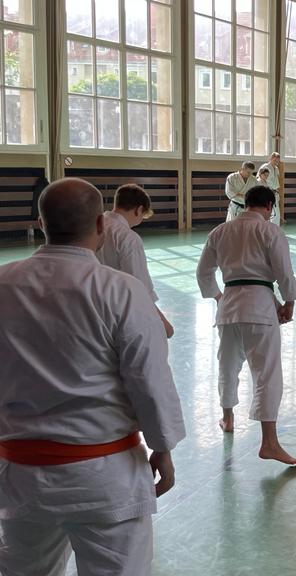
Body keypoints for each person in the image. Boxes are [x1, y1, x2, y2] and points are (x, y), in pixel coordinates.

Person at [0, 178, 185, 576]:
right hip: (106, 476)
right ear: (101, 224)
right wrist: (163, 446)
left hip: (23, 476)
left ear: (41, 223)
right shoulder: (122, 290)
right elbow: (148, 379)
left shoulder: (4, 284)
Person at [198, 185, 296, 466]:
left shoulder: (220, 231)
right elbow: (284, 272)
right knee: (266, 373)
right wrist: (289, 302)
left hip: (228, 308)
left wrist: (218, 296)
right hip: (260, 308)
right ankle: (269, 442)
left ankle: (228, 418)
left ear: (246, 204)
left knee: (227, 365)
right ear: (269, 206)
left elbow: (203, 272)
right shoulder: (270, 231)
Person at [96, 183, 174, 338]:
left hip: (91, 306)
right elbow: (139, 286)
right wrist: (163, 322)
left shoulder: (93, 226)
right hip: (119, 311)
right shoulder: (128, 238)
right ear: (139, 210)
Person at [259, 152, 285, 223]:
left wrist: (277, 190)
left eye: (278, 161)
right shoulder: (265, 167)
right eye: (275, 160)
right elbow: (259, 179)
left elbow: (276, 180)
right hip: (267, 192)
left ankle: (274, 228)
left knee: (276, 214)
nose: (276, 162)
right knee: (267, 213)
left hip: (275, 192)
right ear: (271, 158)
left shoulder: (276, 168)